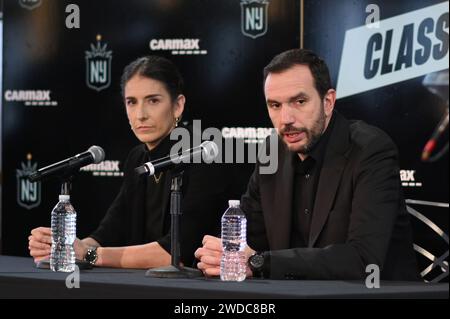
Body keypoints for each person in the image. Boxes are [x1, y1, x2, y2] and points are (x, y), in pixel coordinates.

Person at [195, 49, 420, 280]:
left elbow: (364, 260)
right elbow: (247, 238)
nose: (286, 119)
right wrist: (219, 255)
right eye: (275, 105)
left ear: (328, 102)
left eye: (299, 101)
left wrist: (260, 262)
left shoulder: (370, 150)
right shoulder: (272, 152)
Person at [28, 56, 228, 269]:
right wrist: (62, 247)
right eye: (132, 102)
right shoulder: (137, 157)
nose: (140, 115)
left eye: (153, 101)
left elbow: (176, 252)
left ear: (178, 106)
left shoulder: (203, 154)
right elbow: (110, 231)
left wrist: (89, 254)